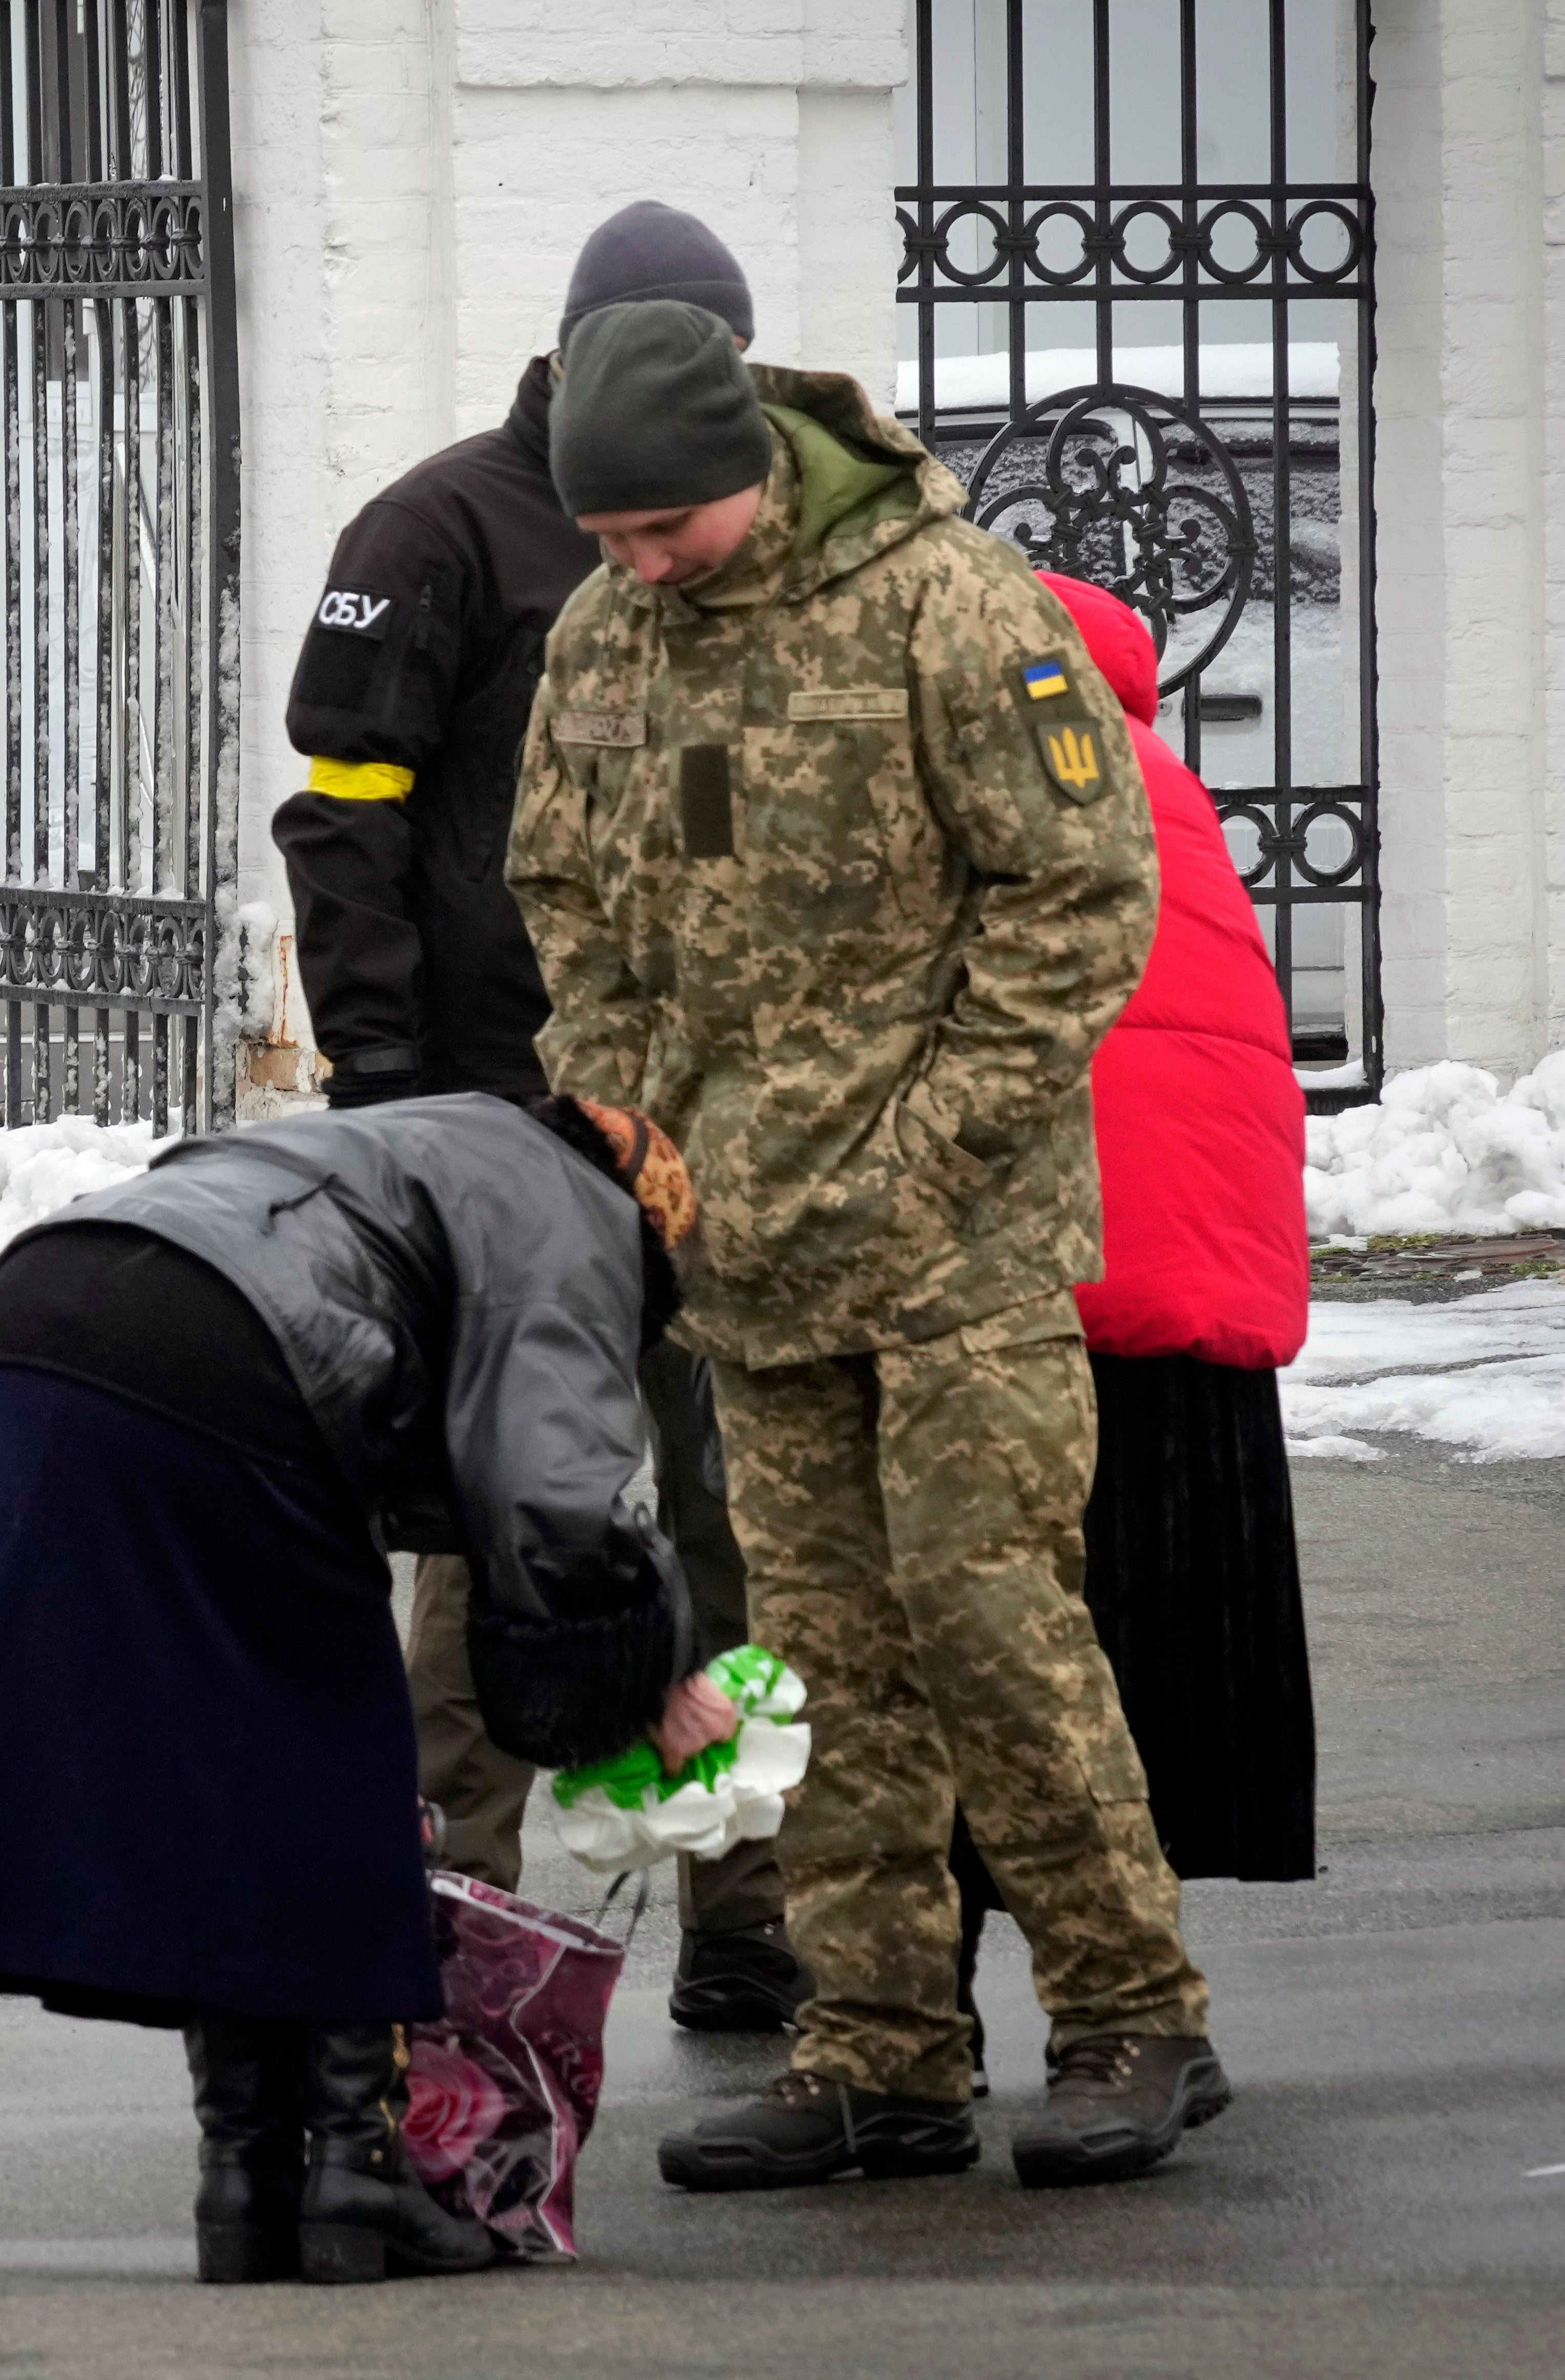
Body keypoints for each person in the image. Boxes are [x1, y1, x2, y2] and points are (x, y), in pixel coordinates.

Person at [511, 298, 1224, 2192]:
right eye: (612, 537)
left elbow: (1080, 904)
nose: (641, 563)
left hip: (952, 1235)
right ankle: (882, 2047)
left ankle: (1131, 2009)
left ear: (752, 467)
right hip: (737, 1235)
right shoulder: (602, 637)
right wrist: (617, 1100)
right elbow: (560, 894)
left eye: (668, 527)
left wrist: (924, 1146)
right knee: (818, 1657)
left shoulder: (953, 606)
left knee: (990, 1623)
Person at [0, 1092, 728, 2284]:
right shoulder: (582, 1211)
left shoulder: (419, 1142)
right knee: (338, 1764)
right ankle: (355, 2174)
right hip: (221, 1354)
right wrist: (655, 1662)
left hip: (38, 1323)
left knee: (231, 1780)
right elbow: (554, 1488)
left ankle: (248, 2177)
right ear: (650, 1233)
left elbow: (451, 1461)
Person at [275, 200, 805, 2034]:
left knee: (732, 1525)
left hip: (703, 1133)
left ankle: (749, 1912)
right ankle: (448, 1899)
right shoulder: (438, 531)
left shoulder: (746, 540)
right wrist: (391, 1097)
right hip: (499, 1128)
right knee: (496, 1522)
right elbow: (339, 822)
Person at [948, 572, 1319, 2059]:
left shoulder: (992, 786)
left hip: (1041, 1284)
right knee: (1144, 1668)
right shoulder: (1159, 784)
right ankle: (1123, 1996)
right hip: (1197, 1296)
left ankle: (967, 1999)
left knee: (998, 1652)